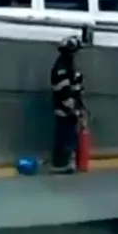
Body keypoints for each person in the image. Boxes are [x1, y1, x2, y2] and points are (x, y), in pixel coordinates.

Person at [49, 36, 84, 173]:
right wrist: (72, 108)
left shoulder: (68, 66)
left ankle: (65, 161)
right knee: (64, 135)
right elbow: (62, 90)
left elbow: (75, 87)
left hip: (69, 109)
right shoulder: (61, 67)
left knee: (69, 135)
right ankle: (60, 163)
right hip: (63, 109)